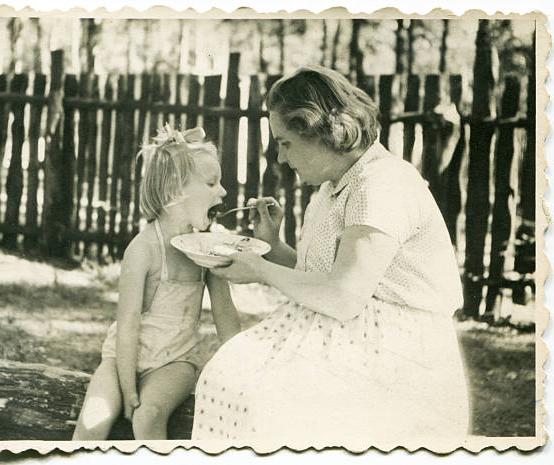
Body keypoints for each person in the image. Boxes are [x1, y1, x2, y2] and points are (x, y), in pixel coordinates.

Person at [192, 66, 469, 448]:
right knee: (231, 379)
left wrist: (261, 268)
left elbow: (343, 295)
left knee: (263, 398)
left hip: (397, 356)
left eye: (286, 142)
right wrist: (273, 246)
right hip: (348, 335)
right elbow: (322, 278)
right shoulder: (336, 185)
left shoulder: (383, 185)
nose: (281, 157)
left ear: (321, 130)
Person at [73, 125, 240, 440]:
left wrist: (243, 365)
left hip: (176, 361)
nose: (223, 192)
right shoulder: (143, 249)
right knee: (92, 422)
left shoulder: (208, 245)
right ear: (175, 190)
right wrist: (126, 387)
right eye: (211, 183)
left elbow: (225, 313)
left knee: (148, 416)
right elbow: (127, 325)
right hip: (122, 357)